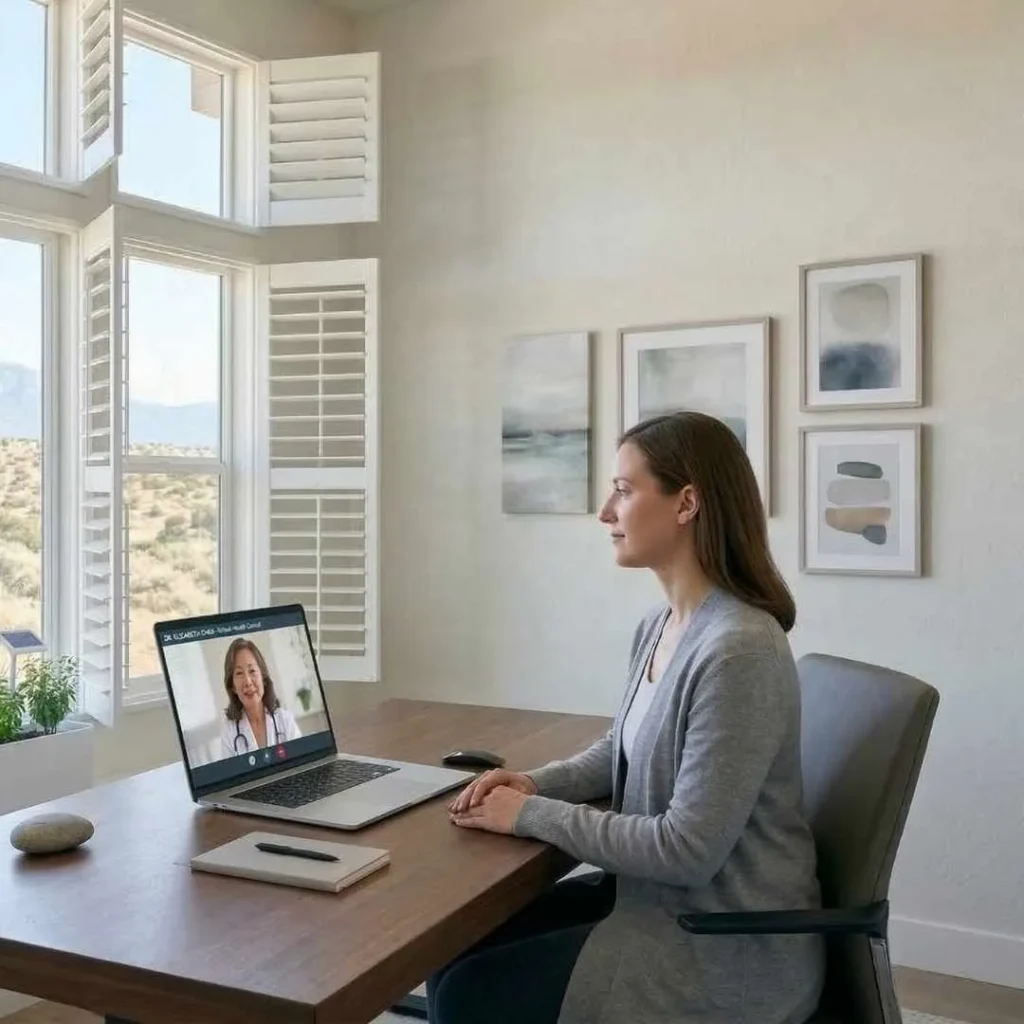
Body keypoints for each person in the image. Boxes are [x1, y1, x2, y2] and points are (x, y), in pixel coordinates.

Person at [437, 412, 826, 1024]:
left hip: (721, 940)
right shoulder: (663, 625)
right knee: (452, 950)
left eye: (622, 489)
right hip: (649, 903)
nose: (604, 512)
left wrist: (531, 815)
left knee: (470, 997)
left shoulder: (739, 649)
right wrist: (535, 783)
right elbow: (623, 746)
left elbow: (686, 850)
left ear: (686, 503)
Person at [219, 637, 302, 758]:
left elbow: (302, 764)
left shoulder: (285, 720)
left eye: (252, 670)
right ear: (233, 687)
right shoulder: (229, 732)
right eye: (239, 673)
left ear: (263, 678)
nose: (247, 681)